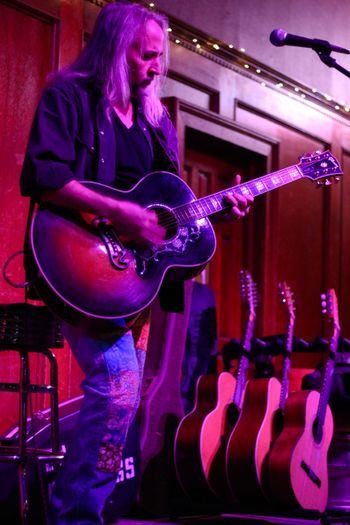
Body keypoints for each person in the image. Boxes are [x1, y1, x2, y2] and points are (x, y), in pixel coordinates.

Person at [20, 2, 253, 524]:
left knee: (121, 405)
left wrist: (220, 213)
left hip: (136, 283)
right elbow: (44, 174)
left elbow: (170, 209)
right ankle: (74, 515)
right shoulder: (69, 96)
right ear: (113, 48)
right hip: (82, 266)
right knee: (119, 387)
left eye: (159, 58)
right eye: (146, 56)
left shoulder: (155, 121)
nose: (155, 67)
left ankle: (83, 509)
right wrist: (120, 212)